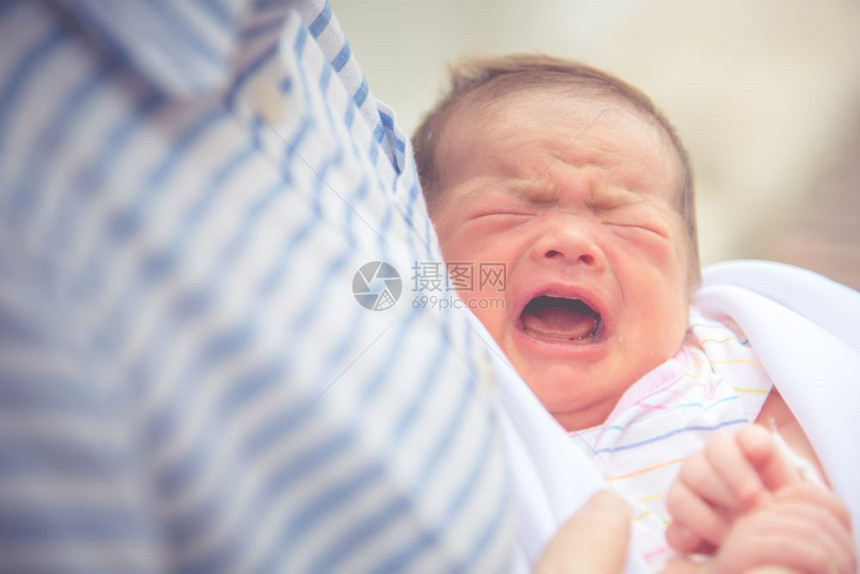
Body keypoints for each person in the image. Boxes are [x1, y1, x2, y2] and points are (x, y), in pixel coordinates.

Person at [414, 53, 857, 570]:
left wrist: (780, 507)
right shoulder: (430, 413)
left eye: (626, 221)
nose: (573, 241)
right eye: (512, 209)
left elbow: (830, 439)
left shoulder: (737, 370)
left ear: (686, 290)